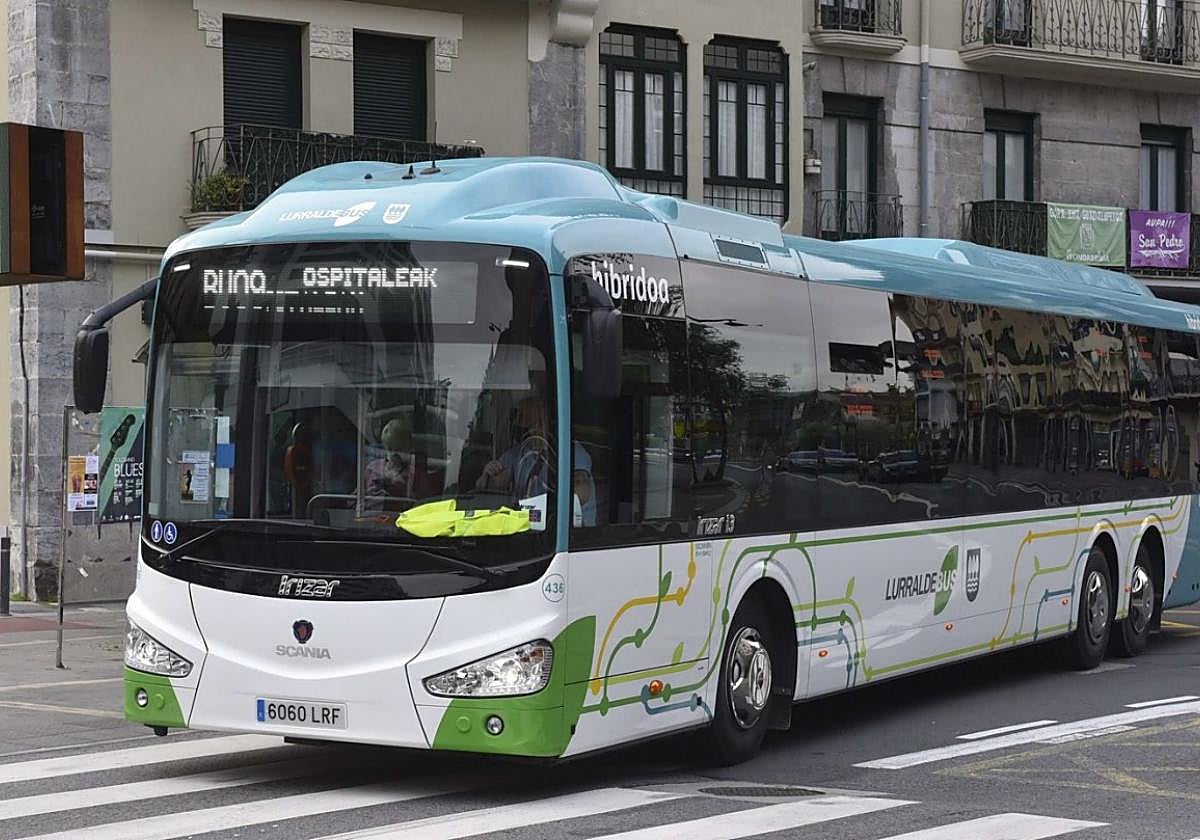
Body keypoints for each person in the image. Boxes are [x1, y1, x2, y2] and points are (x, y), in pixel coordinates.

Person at [477, 397, 595, 526]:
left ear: (543, 421)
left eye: (527, 419)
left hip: (569, 530)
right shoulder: (520, 451)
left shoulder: (572, 453)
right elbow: (489, 488)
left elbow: (581, 497)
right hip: (527, 527)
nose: (521, 424)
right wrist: (489, 475)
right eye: (519, 418)